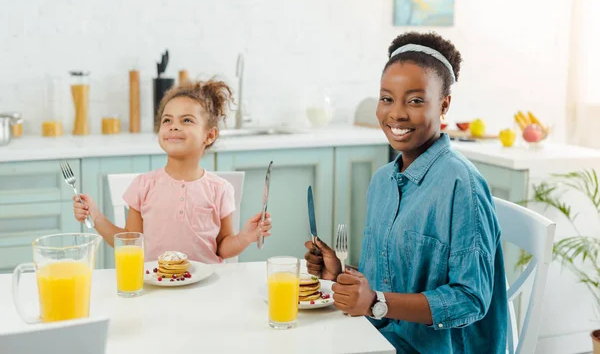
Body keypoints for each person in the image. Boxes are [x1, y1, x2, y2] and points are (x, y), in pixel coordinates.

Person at [304, 32, 508, 353]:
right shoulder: (383, 181)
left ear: (444, 105)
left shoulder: (461, 186)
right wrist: (340, 275)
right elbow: (386, 282)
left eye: (414, 100)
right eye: (387, 98)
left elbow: (471, 300)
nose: (397, 114)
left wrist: (375, 302)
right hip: (380, 341)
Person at [73, 79, 272, 263]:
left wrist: (245, 238)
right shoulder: (144, 186)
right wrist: (96, 217)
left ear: (209, 135)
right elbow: (130, 244)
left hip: (206, 289)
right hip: (157, 286)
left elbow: (222, 248)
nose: (174, 126)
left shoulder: (220, 189)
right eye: (167, 120)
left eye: (186, 120)